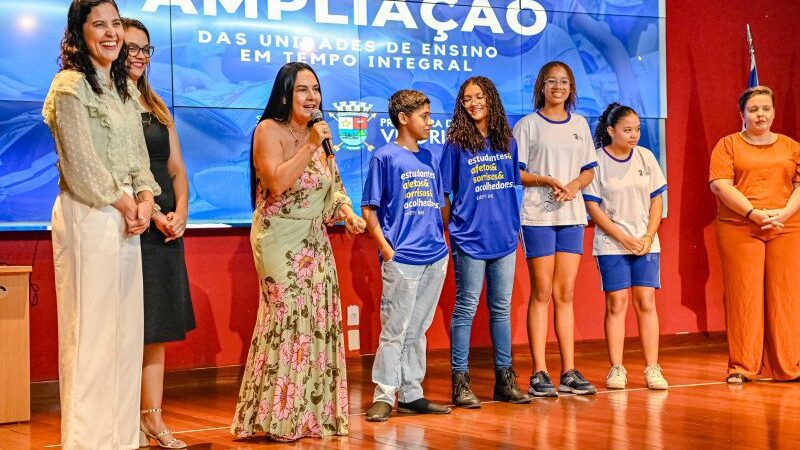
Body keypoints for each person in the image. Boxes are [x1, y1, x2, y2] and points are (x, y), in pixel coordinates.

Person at [42, 1, 160, 448]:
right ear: (79, 32)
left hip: (126, 219)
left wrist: (145, 199)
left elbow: (138, 159)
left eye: (115, 24)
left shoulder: (124, 90)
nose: (111, 34)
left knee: (125, 337)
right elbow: (81, 165)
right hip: (87, 216)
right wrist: (124, 201)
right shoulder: (70, 87)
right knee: (90, 337)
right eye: (100, 25)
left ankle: (122, 439)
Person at [230, 62, 365, 442]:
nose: (312, 98)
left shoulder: (321, 138)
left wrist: (347, 213)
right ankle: (278, 416)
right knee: (288, 322)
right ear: (286, 93)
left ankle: (309, 415)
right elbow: (276, 183)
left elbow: (333, 187)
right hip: (278, 240)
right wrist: (309, 145)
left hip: (314, 240)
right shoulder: (268, 131)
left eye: (316, 90)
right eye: (303, 90)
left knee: (316, 322)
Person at [122, 18, 196, 449]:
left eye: (145, 49)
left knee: (157, 328)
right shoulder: (109, 102)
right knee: (128, 327)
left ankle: (154, 420)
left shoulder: (158, 105)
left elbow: (176, 169)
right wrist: (154, 214)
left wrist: (180, 212)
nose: (138, 56)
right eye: (131, 47)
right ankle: (123, 418)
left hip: (167, 229)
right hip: (132, 222)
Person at [441, 76, 531, 408]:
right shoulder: (455, 145)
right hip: (469, 238)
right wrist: (451, 229)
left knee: (501, 309)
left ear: (491, 98)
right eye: (466, 99)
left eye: (479, 96)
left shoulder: (507, 141)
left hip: (505, 238)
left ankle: (505, 380)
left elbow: (512, 187)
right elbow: (444, 194)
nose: (473, 103)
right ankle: (460, 382)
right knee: (465, 308)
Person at [362, 89, 451, 422]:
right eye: (424, 116)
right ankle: (384, 394)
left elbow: (440, 203)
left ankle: (412, 393)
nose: (430, 123)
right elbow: (370, 208)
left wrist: (441, 239)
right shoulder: (384, 156)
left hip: (434, 255)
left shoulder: (430, 157)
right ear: (403, 118)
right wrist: (386, 248)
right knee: (395, 329)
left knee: (418, 328)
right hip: (403, 257)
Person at [513, 61, 598, 397]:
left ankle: (569, 371)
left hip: (572, 216)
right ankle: (539, 372)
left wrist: (575, 184)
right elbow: (516, 173)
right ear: (542, 86)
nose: (558, 87)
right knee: (542, 292)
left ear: (571, 88)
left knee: (565, 294)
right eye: (552, 81)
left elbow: (589, 170)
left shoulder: (580, 124)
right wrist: (546, 180)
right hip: (537, 217)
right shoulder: (527, 125)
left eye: (564, 82)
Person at [709, 86, 800, 384]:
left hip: (786, 226)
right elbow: (721, 185)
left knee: (785, 295)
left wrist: (783, 215)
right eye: (753, 110)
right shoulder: (728, 145)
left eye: (765, 109)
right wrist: (753, 213)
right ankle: (742, 366)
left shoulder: (791, 146)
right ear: (742, 114)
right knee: (743, 294)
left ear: (773, 112)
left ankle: (789, 367)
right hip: (740, 226)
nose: (760, 114)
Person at [583, 102, 668, 390]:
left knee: (646, 301)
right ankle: (617, 368)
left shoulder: (646, 157)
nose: (634, 135)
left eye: (637, 130)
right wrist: (623, 237)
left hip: (645, 243)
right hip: (611, 244)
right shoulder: (597, 160)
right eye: (627, 130)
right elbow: (593, 208)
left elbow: (657, 200)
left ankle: (652, 368)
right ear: (611, 131)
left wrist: (647, 236)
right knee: (616, 303)